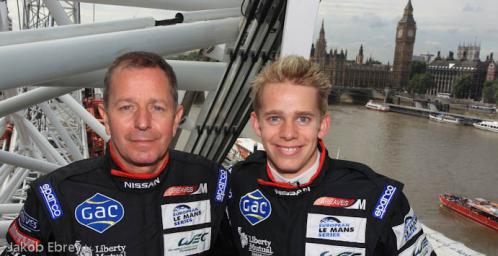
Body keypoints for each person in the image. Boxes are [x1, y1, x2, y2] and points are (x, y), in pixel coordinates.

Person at [2, 52, 229, 256]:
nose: (142, 122)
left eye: (157, 107)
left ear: (176, 119)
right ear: (106, 117)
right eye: (127, 107)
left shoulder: (213, 181)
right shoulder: (53, 197)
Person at [226, 55, 436, 255]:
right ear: (256, 124)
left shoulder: (379, 199)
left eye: (303, 119)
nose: (288, 133)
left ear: (323, 125)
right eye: (274, 118)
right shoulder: (234, 185)